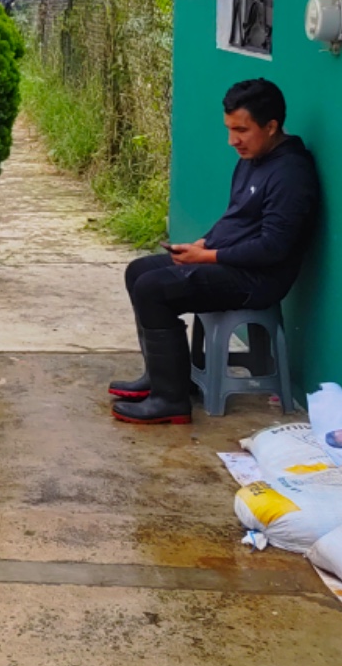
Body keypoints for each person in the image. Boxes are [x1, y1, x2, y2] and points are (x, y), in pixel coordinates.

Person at [111, 78, 320, 423]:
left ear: (271, 127)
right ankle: (162, 377)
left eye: (242, 130)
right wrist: (203, 243)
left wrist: (207, 257)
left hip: (258, 279)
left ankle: (171, 401)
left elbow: (274, 247)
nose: (232, 140)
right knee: (139, 272)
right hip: (231, 264)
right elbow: (235, 217)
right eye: (229, 129)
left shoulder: (291, 173)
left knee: (154, 289)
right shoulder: (253, 158)